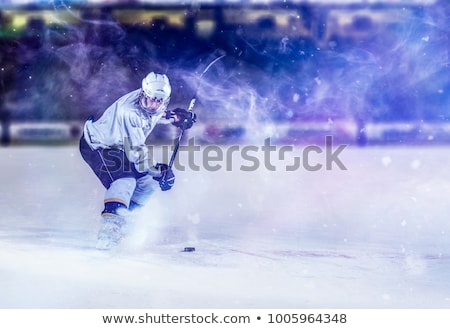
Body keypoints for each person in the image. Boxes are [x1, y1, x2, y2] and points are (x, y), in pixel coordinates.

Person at [79, 72, 196, 249]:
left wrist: (175, 118)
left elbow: (155, 114)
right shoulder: (130, 112)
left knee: (149, 184)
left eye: (159, 101)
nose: (153, 105)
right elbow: (136, 153)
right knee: (125, 181)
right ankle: (110, 230)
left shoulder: (152, 101)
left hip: (120, 147)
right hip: (99, 145)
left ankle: (125, 220)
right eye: (150, 99)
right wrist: (159, 172)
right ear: (143, 94)